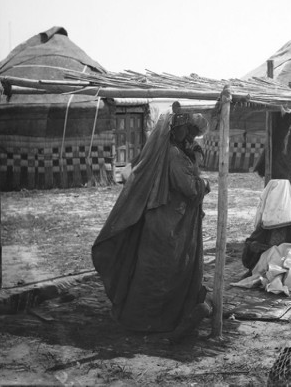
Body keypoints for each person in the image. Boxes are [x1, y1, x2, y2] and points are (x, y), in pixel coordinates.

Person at [91, 110, 212, 341]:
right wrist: (204, 184)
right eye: (187, 131)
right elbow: (189, 187)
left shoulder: (168, 152)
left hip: (163, 220)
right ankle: (153, 320)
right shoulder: (173, 154)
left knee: (153, 269)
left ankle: (143, 318)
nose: (190, 136)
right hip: (169, 224)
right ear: (176, 131)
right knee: (162, 271)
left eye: (193, 133)